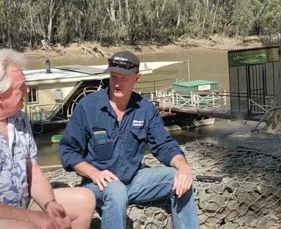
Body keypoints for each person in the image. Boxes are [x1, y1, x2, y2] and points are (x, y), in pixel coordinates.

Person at [0, 49, 95, 229]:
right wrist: (30, 218)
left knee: (85, 200)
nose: (27, 90)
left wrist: (49, 204)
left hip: (19, 205)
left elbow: (33, 171)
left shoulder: (19, 118)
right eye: (20, 87)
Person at [59, 50, 199, 229]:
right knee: (117, 192)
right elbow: (68, 152)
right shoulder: (88, 106)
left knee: (179, 179)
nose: (117, 83)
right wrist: (94, 173)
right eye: (114, 76)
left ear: (137, 78)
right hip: (97, 184)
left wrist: (183, 166)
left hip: (134, 180)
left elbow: (164, 145)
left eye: (124, 77)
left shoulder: (145, 109)